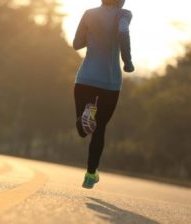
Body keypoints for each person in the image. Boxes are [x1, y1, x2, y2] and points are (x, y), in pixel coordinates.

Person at [73, 0, 134, 189]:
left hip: (85, 79)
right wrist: (128, 60)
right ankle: (91, 175)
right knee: (99, 129)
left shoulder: (89, 13)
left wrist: (93, 37)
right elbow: (123, 32)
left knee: (83, 130)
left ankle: (86, 113)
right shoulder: (123, 15)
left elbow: (77, 44)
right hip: (110, 82)